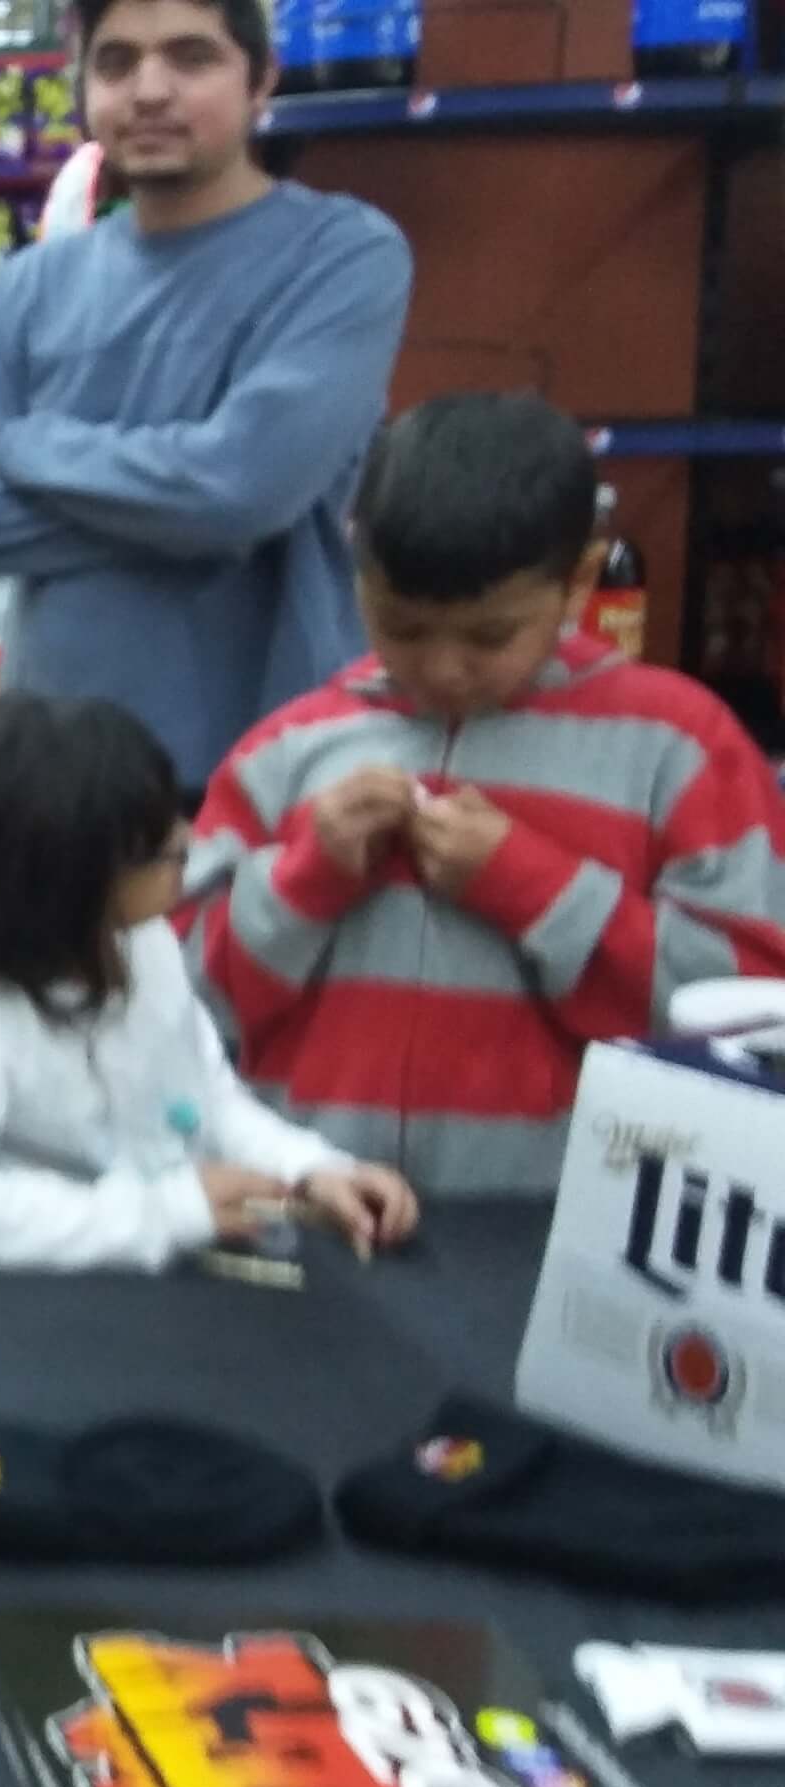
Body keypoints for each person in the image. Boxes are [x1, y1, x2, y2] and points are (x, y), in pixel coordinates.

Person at [181, 392, 785, 1196]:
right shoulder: (285, 751)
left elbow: (746, 1024)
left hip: (563, 1220)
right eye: (402, 627)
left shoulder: (679, 750)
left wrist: (532, 884)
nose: (444, 668)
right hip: (319, 1205)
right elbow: (178, 1009)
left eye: (490, 635)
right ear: (356, 568)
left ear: (579, 581)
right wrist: (305, 878)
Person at [0, 0, 416, 788]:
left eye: (191, 57)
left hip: (266, 774)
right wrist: (195, 522)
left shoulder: (341, 256)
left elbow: (241, 491)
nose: (149, 91)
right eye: (116, 63)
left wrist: (32, 444)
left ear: (262, 81)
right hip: (54, 775)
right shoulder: (35, 285)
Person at [0, 694, 419, 1272]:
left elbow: (206, 1101)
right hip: (40, 1308)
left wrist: (313, 1168)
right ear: (59, 882)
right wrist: (159, 1214)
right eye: (149, 846)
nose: (185, 841)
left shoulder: (146, 944)